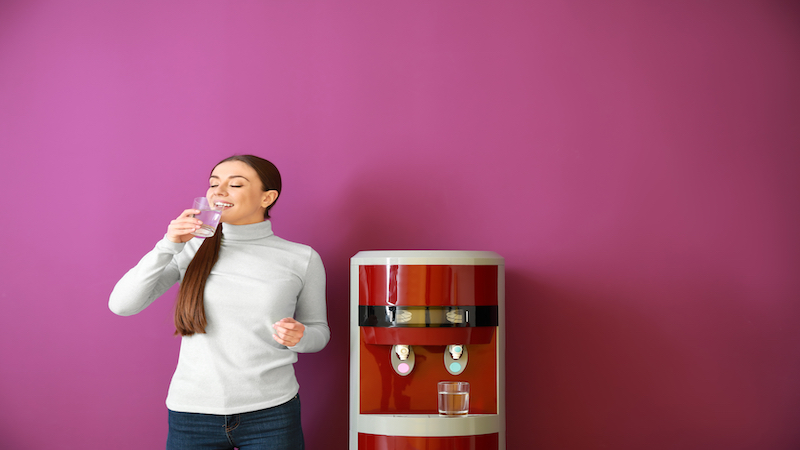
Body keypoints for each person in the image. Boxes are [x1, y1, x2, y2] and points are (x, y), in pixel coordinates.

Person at [109, 155, 329, 450]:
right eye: (214, 184)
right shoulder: (189, 249)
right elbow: (122, 304)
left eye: (235, 184)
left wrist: (300, 336)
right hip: (192, 414)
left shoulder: (302, 258)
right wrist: (168, 244)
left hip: (272, 412)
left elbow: (319, 332)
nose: (219, 191)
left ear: (267, 197)